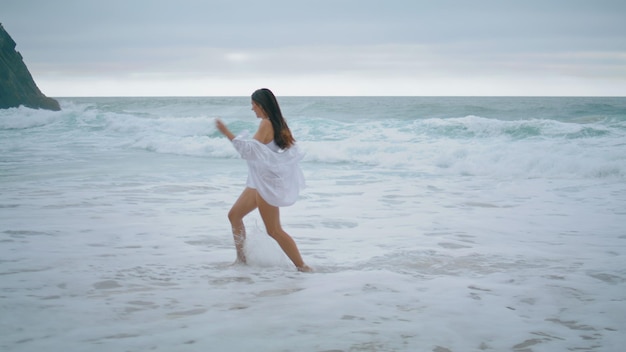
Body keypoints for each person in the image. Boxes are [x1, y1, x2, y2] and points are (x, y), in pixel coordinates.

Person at [215, 88, 312, 272]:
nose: (252, 109)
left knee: (274, 230)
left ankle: (303, 266)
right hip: (259, 181)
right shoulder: (277, 123)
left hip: (265, 184)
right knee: (234, 215)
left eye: (253, 104)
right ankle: (241, 261)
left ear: (262, 105)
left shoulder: (266, 124)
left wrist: (226, 131)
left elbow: (248, 151)